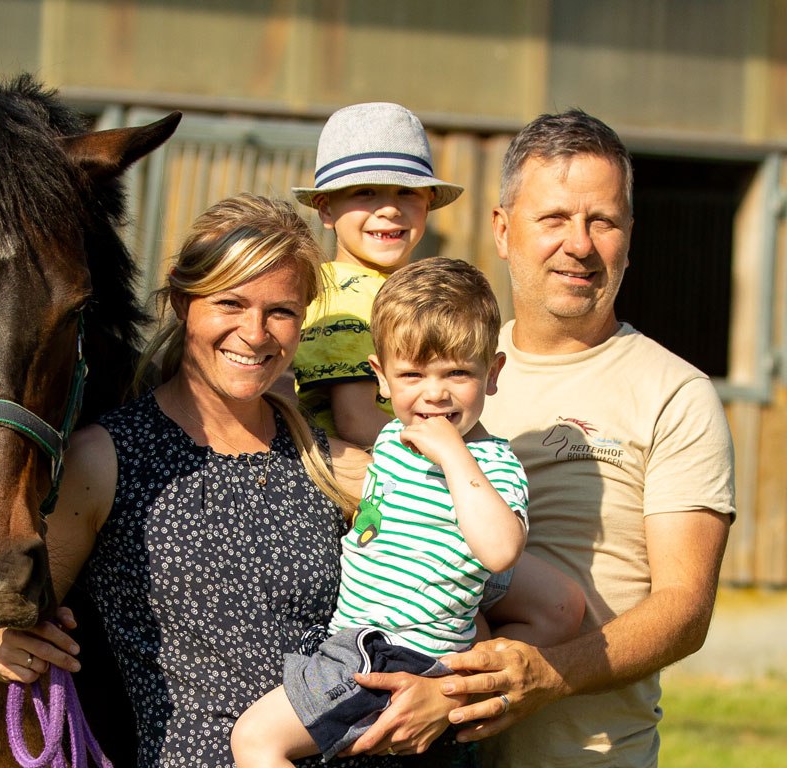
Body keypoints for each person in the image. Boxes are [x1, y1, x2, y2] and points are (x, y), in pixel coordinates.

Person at [0, 194, 455, 768]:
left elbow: (453, 596)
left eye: (281, 311)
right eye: (230, 303)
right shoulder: (103, 459)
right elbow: (7, 614)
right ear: (182, 301)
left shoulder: (342, 466)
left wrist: (443, 694)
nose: (255, 334)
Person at [416, 110, 736, 767]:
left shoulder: (675, 393)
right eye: (555, 218)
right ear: (504, 231)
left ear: (628, 236)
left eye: (603, 221)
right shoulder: (442, 378)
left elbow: (683, 609)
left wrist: (547, 674)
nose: (580, 244)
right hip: (430, 751)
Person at [233, 258, 583, 768]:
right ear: (381, 376)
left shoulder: (491, 465)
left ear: (493, 373)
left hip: (389, 653)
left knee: (256, 741)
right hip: (364, 637)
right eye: (412, 374)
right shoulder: (394, 442)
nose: (434, 393)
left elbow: (501, 551)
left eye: (457, 373)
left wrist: (455, 455)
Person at [291, 102, 463, 447]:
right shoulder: (347, 296)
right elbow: (354, 419)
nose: (388, 208)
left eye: (407, 192)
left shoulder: (389, 290)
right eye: (365, 192)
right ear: (326, 208)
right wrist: (449, 456)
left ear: (428, 203)